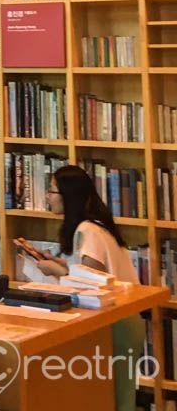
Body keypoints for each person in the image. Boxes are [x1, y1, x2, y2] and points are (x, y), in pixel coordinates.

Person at [36, 164, 144, 411]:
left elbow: (91, 282)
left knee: (116, 399)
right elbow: (88, 270)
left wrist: (57, 272)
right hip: (121, 321)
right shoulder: (95, 225)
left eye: (52, 191)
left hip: (116, 324)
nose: (48, 197)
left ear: (67, 196)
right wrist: (61, 263)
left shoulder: (87, 230)